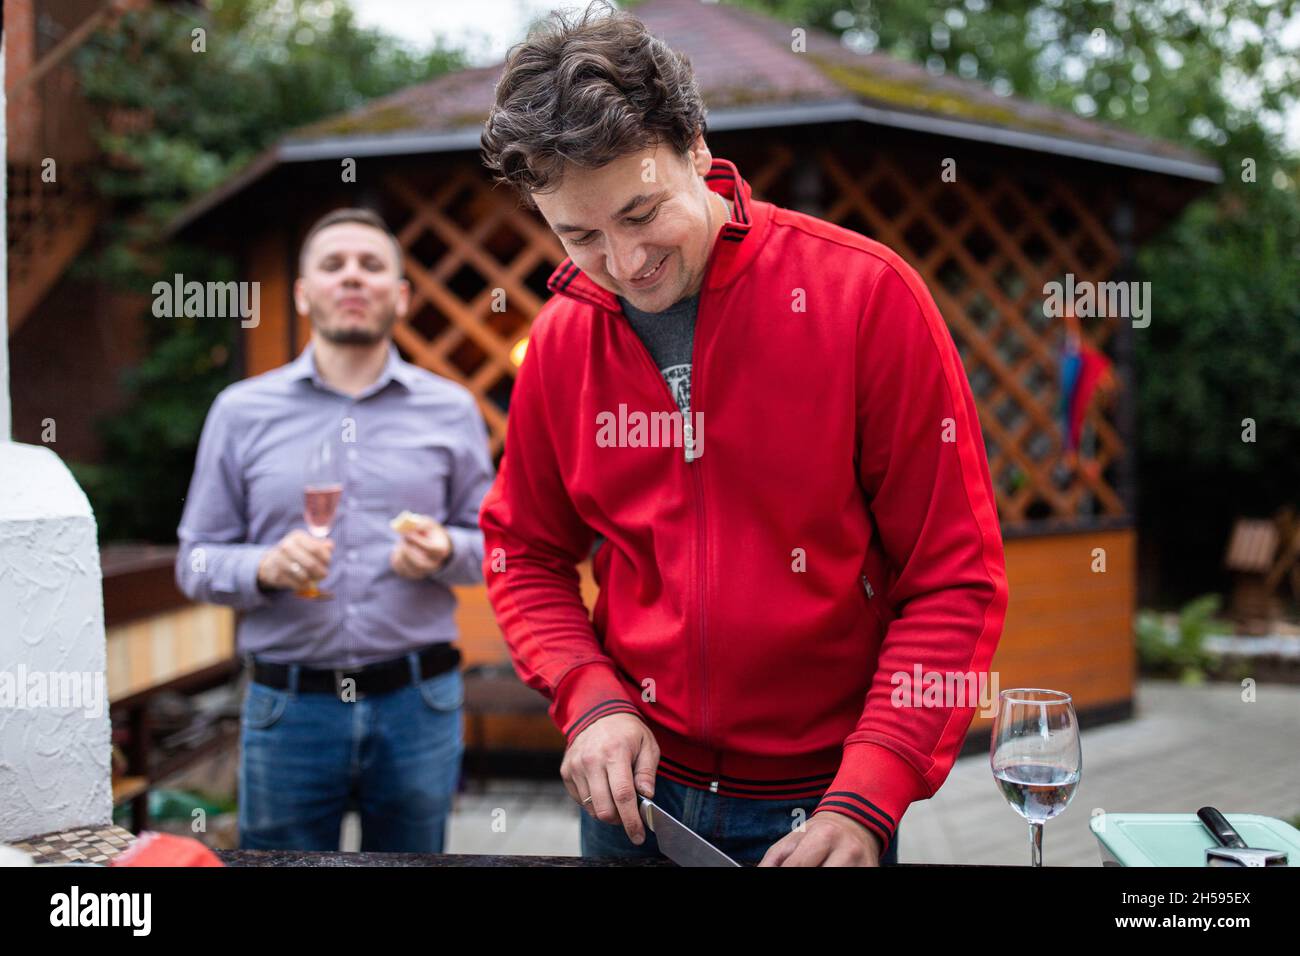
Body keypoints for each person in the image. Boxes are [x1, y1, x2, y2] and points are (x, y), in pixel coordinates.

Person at [478, 2, 1009, 866]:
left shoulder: (867, 297)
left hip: (826, 803)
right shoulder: (563, 337)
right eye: (580, 234)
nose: (622, 261)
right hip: (633, 803)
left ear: (696, 149)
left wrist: (872, 791)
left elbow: (954, 578)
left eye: (642, 213)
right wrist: (590, 696)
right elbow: (525, 552)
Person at [175, 208, 495, 852]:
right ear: (303, 292)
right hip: (288, 708)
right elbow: (195, 563)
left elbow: (499, 552)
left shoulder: (451, 409)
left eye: (372, 266)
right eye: (333, 265)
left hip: (418, 703)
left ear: (400, 297)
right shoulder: (240, 411)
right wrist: (262, 568)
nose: (353, 277)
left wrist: (445, 552)